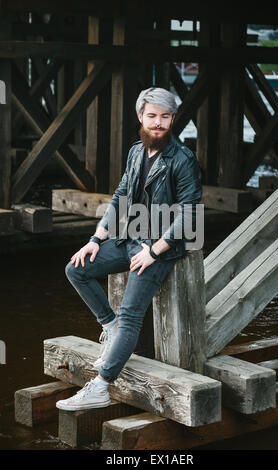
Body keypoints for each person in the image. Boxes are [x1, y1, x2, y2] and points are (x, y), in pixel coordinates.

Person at [56, 87, 202, 411]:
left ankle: (101, 386)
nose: (158, 123)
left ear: (173, 119)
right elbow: (121, 195)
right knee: (76, 269)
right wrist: (96, 238)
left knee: (131, 313)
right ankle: (110, 327)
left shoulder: (183, 159)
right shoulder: (137, 152)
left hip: (162, 249)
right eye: (152, 116)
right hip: (131, 239)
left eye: (165, 117)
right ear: (140, 117)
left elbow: (191, 214)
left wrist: (155, 251)